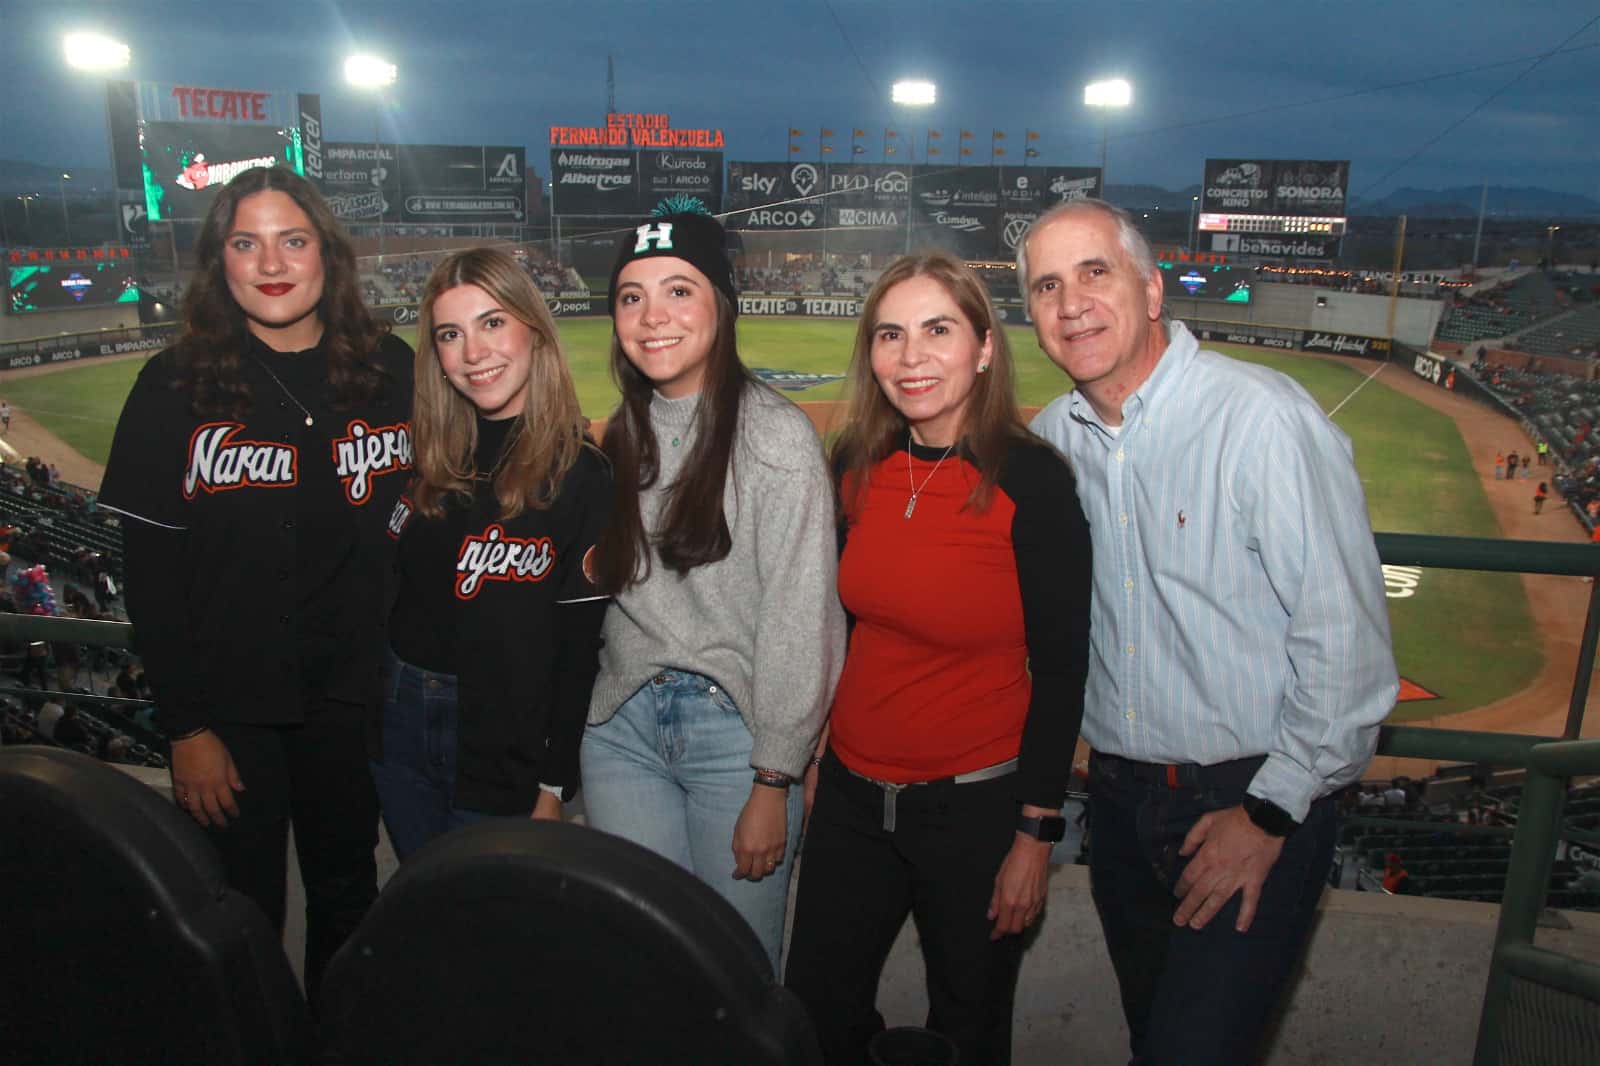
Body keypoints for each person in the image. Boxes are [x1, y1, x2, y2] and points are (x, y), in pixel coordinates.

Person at [1022, 199, 1398, 1066]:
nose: (1071, 301)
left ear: (1152, 291)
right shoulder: (1053, 443)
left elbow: (1346, 648)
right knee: (1153, 1035)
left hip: (1250, 797)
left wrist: (1268, 813)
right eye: (1047, 285)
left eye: (1095, 272)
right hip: (1115, 803)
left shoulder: (1260, 418)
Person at [98, 166, 414, 1007]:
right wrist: (186, 725)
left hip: (352, 701)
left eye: (293, 239)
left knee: (350, 897)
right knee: (243, 910)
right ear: (220, 261)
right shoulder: (173, 386)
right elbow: (152, 578)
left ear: (327, 256)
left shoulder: (391, 369)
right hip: (230, 712)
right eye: (246, 242)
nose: (271, 262)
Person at [784, 251, 1092, 1065]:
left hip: (976, 812)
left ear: (984, 347)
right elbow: (843, 629)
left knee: (970, 1025)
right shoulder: (856, 463)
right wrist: (818, 754)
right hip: (852, 797)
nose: (911, 357)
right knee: (815, 1014)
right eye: (891, 334)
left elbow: (1063, 672)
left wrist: (1035, 835)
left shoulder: (1033, 481)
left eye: (937, 330)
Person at [582, 208, 846, 971]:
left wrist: (775, 775)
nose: (652, 316)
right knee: (643, 963)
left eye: (678, 291)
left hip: (733, 738)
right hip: (621, 727)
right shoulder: (619, 432)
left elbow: (803, 616)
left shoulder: (775, 436)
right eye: (631, 297)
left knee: (736, 972)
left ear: (721, 307)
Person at [371, 248, 611, 859]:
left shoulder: (581, 473)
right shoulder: (425, 456)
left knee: (489, 924)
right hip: (398, 718)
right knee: (419, 901)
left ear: (534, 329)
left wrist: (555, 783)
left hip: (505, 733)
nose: (473, 353)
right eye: (451, 334)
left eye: (493, 322)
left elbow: (579, 647)